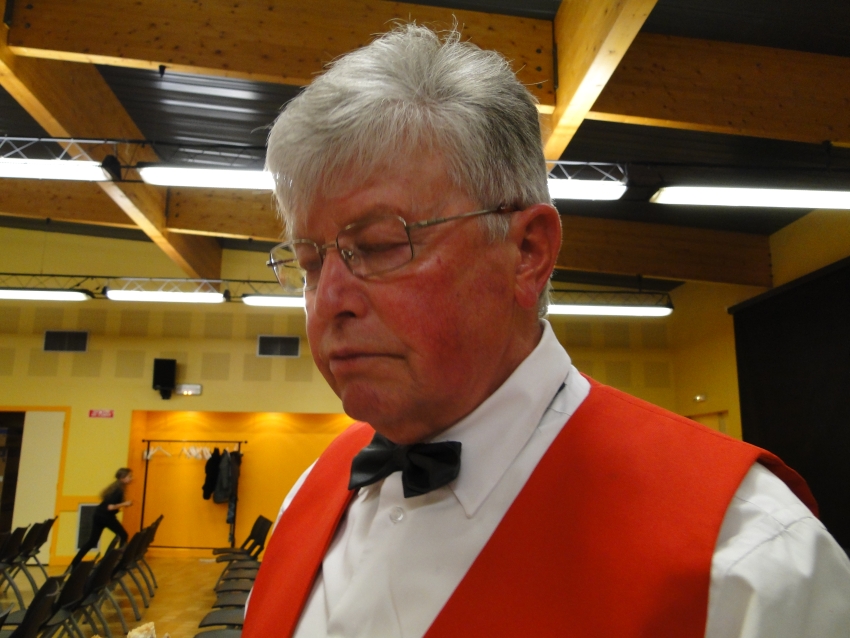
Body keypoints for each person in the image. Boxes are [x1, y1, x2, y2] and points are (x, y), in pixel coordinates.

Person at [243, 24, 850, 637]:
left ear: (528, 252)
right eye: (310, 263)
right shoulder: (308, 498)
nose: (329, 302)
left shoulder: (746, 563)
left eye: (378, 245)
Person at [70, 467, 133, 567]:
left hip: (98, 515)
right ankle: (120, 562)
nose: (131, 478)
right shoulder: (119, 490)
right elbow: (110, 507)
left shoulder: (115, 487)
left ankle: (74, 563)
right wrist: (125, 504)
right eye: (129, 476)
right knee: (123, 535)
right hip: (106, 516)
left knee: (92, 541)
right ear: (122, 478)